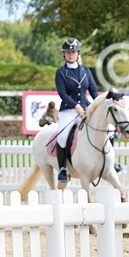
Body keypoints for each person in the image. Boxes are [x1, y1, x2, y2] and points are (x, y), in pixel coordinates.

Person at [54, 37, 98, 183]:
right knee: (62, 135)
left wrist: (97, 104)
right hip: (68, 110)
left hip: (86, 108)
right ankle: (62, 168)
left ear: (78, 53)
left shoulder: (86, 70)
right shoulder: (61, 73)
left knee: (102, 128)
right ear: (64, 54)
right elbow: (62, 94)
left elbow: (93, 90)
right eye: (68, 52)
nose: (71, 54)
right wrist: (76, 106)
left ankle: (110, 162)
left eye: (73, 52)